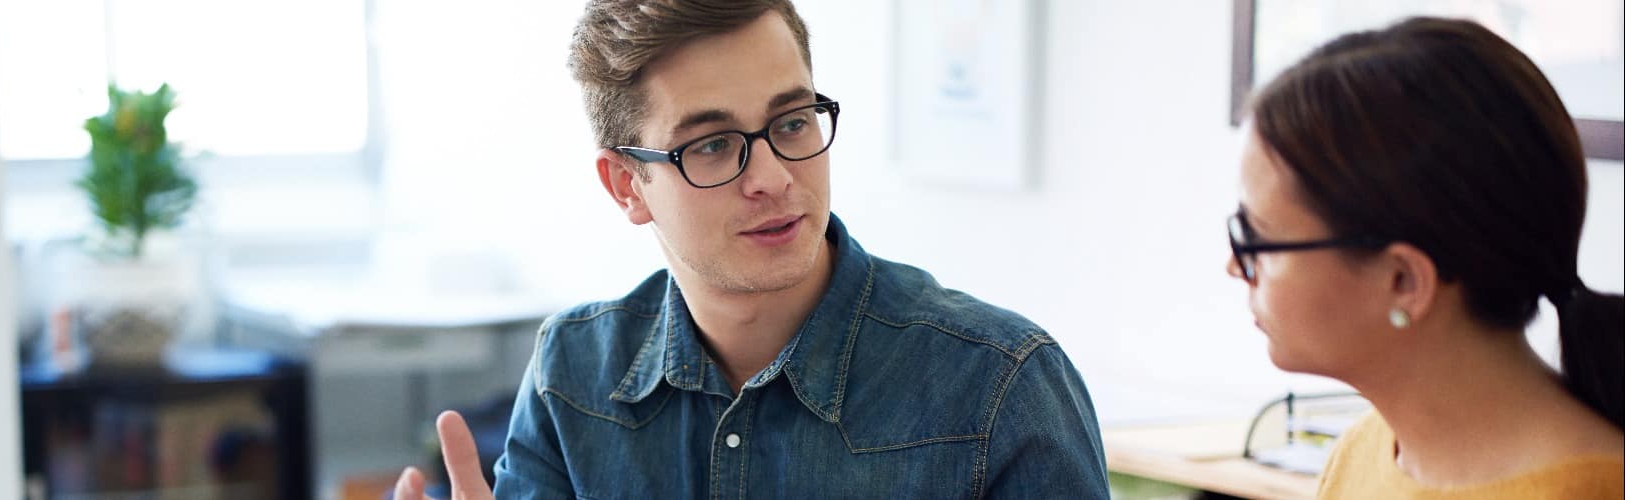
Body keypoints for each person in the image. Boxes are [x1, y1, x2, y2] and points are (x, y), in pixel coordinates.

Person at [391, 0, 1107, 498]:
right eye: (711, 145)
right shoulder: (573, 372)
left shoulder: (999, 387)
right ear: (626, 187)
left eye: (792, 122)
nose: (773, 178)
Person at [1229, 16, 1624, 498]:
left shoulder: (1589, 489)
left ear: (1403, 281)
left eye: (1255, 240)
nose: (1235, 266)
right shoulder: (1365, 451)